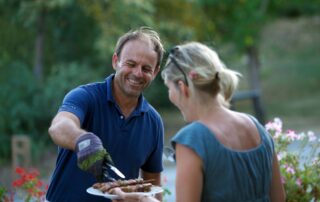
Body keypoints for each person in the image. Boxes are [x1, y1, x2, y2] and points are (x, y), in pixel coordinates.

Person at [112, 42, 286, 202]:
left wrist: (142, 200)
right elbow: (279, 198)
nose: (171, 96)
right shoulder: (256, 127)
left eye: (169, 88)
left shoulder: (193, 139)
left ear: (182, 87)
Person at [46, 27, 165, 202]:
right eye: (130, 64)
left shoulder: (153, 122)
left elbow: (152, 188)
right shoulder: (85, 97)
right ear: (116, 61)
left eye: (146, 68)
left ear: (155, 72)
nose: (138, 73)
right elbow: (59, 127)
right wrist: (83, 141)